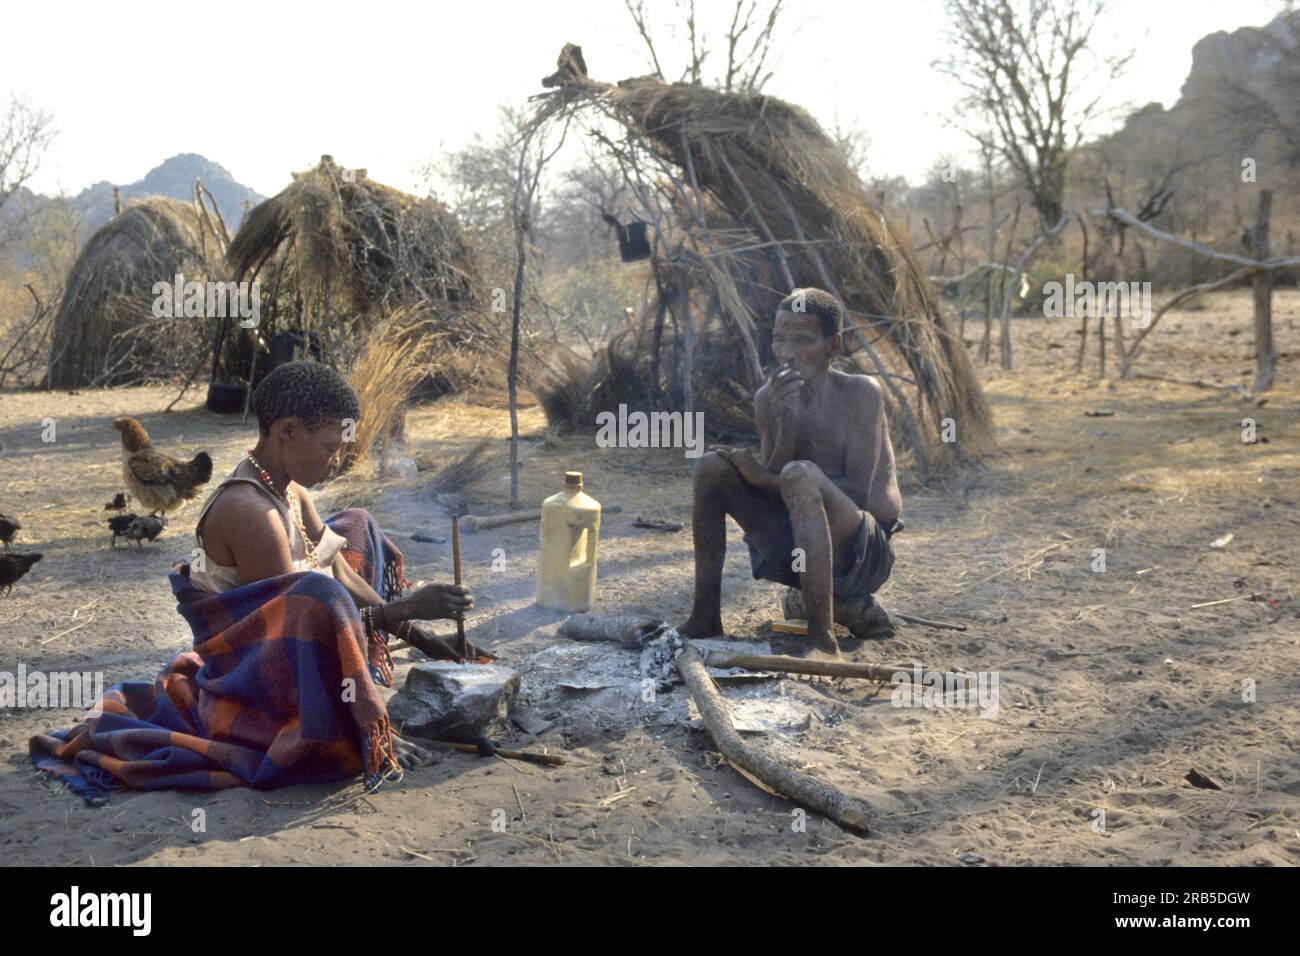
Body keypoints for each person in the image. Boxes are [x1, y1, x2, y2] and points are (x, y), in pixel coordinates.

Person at [33, 361, 475, 804]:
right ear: (286, 432)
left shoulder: (288, 491)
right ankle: (349, 713)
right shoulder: (250, 513)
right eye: (329, 448)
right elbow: (291, 628)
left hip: (299, 633)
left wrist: (424, 637)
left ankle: (358, 681)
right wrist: (406, 611)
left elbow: (337, 568)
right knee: (315, 596)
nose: (337, 461)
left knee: (357, 524)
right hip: (255, 669)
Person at [678, 288, 903, 658]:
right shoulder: (769, 398)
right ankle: (705, 616)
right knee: (711, 468)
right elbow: (774, 479)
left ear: (834, 347)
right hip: (797, 549)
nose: (788, 352)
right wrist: (786, 423)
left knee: (800, 475)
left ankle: (821, 639)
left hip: (862, 552)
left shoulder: (861, 393)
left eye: (803, 340)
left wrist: (768, 477)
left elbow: (860, 494)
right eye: (780, 340)